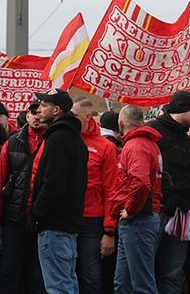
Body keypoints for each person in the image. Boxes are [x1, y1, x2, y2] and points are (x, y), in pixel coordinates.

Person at [28, 89, 87, 294]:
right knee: (66, 283)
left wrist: (36, 214)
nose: (39, 110)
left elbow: (53, 185)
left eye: (44, 105)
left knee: (58, 286)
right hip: (66, 225)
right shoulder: (74, 139)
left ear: (56, 110)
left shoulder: (58, 140)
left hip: (54, 225)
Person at [147, 91, 190, 294]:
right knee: (146, 270)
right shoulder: (152, 132)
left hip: (181, 213)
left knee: (173, 272)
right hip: (155, 211)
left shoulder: (188, 143)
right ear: (182, 109)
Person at [0, 101, 48, 294]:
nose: (37, 116)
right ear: (27, 116)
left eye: (40, 112)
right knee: (9, 274)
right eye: (33, 112)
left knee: (37, 277)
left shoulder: (52, 141)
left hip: (40, 221)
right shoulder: (12, 142)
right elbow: (0, 178)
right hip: (15, 218)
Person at [111, 105, 160, 294]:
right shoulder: (146, 143)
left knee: (140, 284)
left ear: (121, 123)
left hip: (138, 219)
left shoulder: (136, 145)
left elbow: (140, 182)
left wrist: (131, 209)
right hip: (139, 218)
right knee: (123, 283)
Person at [73, 97, 117, 294]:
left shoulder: (105, 146)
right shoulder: (62, 138)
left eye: (75, 115)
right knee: (65, 273)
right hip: (65, 218)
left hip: (92, 220)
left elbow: (112, 189)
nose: (70, 119)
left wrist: (109, 231)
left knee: (90, 273)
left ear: (87, 116)